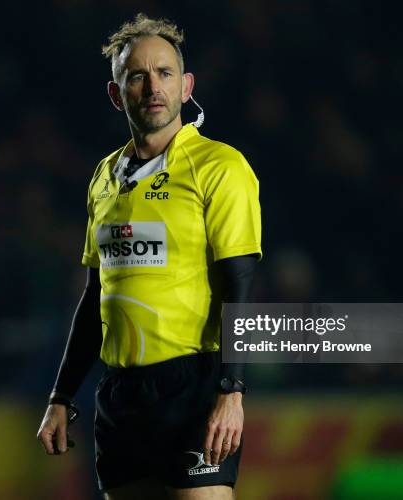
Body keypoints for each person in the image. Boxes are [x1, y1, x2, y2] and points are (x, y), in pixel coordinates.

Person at [37, 13, 262, 500]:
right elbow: (97, 296)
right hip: (119, 396)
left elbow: (240, 285)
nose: (152, 86)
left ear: (186, 86)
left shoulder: (219, 166)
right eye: (136, 75)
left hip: (194, 388)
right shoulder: (104, 177)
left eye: (163, 73)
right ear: (118, 94)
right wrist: (62, 396)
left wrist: (232, 390)